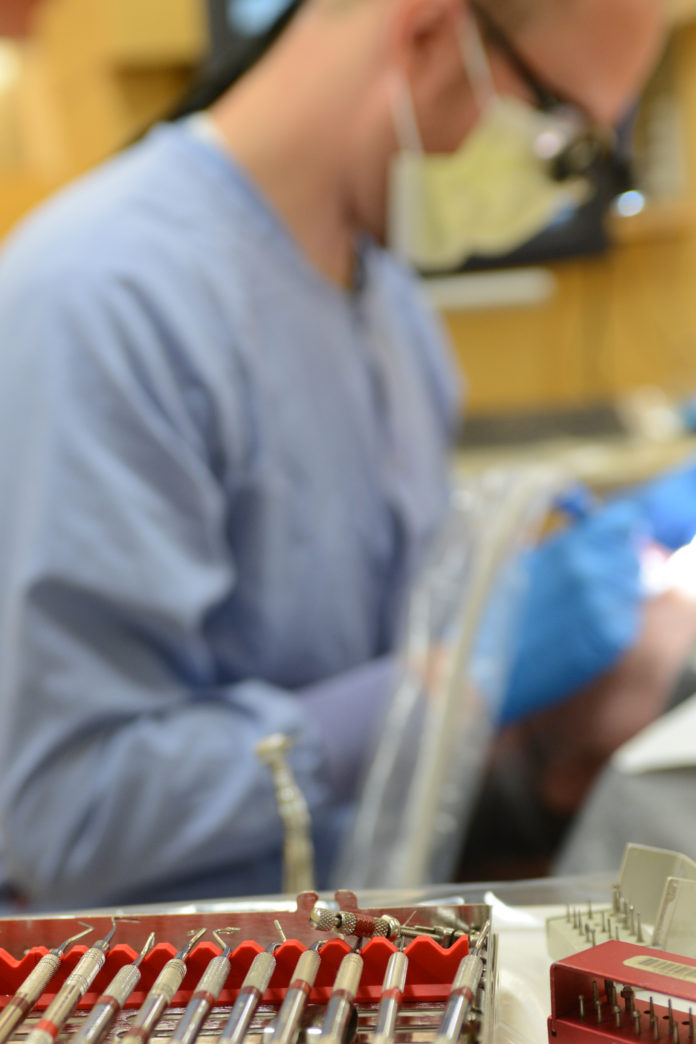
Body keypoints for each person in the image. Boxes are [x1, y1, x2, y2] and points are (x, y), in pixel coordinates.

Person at [0, 0, 670, 907]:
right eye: (565, 141)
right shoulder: (99, 306)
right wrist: (448, 688)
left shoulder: (393, 309)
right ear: (434, 37)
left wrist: (552, 704)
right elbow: (65, 823)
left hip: (356, 956)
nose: (559, 190)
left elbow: (377, 739)